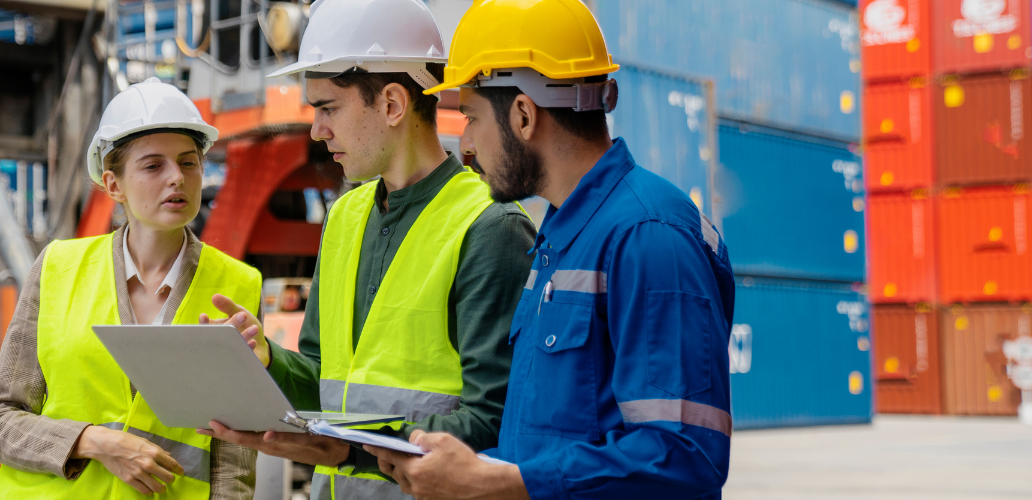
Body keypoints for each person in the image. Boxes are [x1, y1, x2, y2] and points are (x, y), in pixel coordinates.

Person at [362, 1, 735, 499]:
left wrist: (507, 482)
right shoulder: (563, 236)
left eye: (471, 117)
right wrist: (464, 468)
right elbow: (548, 441)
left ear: (522, 115)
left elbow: (686, 454)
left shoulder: (648, 235)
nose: (466, 144)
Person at [195, 0, 535, 498]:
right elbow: (323, 387)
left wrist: (352, 450)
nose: (317, 130)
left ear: (393, 104)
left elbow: (495, 427)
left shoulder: (489, 228)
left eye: (328, 108)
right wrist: (267, 360)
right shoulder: (345, 217)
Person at [0, 78, 265, 499]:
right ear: (114, 185)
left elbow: (233, 461)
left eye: (188, 163)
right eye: (153, 166)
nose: (176, 179)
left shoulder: (237, 285)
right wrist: (96, 442)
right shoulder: (58, 268)